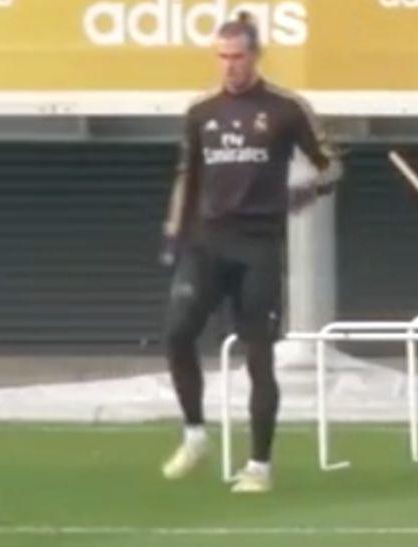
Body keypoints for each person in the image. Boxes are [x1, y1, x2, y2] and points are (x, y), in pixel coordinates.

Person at [159, 13, 337, 493]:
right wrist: (173, 234)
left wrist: (304, 193)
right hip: (207, 243)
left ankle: (259, 465)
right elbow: (186, 176)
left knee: (259, 356)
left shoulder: (285, 109)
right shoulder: (201, 112)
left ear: (255, 56)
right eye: (222, 57)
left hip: (258, 246)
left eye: (238, 57)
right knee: (177, 333)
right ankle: (195, 434)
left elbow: (332, 165)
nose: (230, 66)